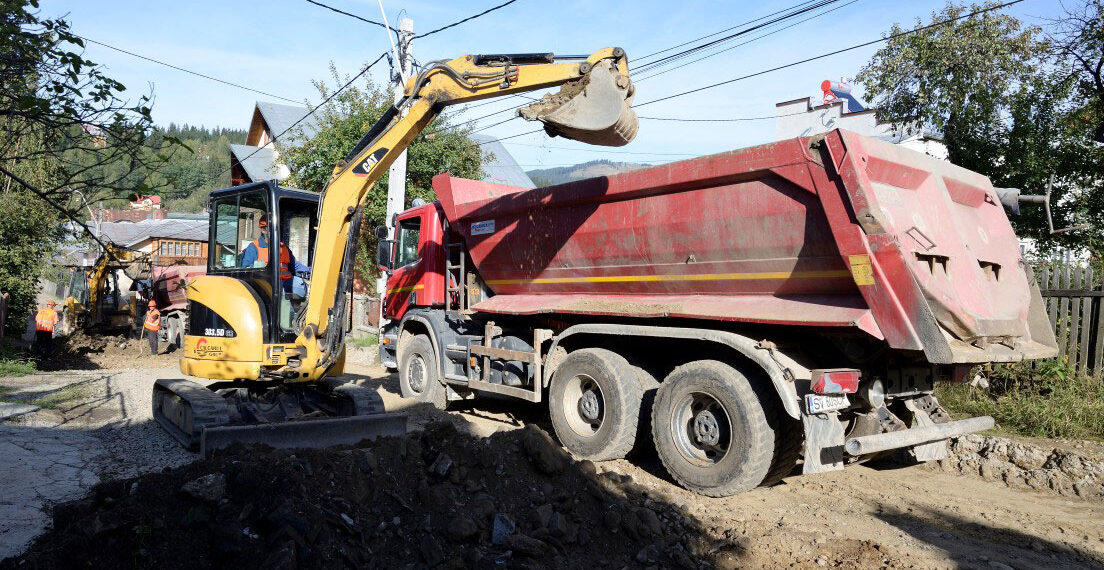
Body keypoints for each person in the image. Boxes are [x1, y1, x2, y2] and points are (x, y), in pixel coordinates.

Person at [240, 214, 310, 294]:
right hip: (267, 284)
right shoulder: (254, 247)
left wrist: (312, 271)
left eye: (277, 228)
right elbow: (246, 270)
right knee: (301, 287)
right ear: (263, 230)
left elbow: (296, 266)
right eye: (272, 228)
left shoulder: (283, 247)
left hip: (286, 282)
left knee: (306, 285)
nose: (276, 231)